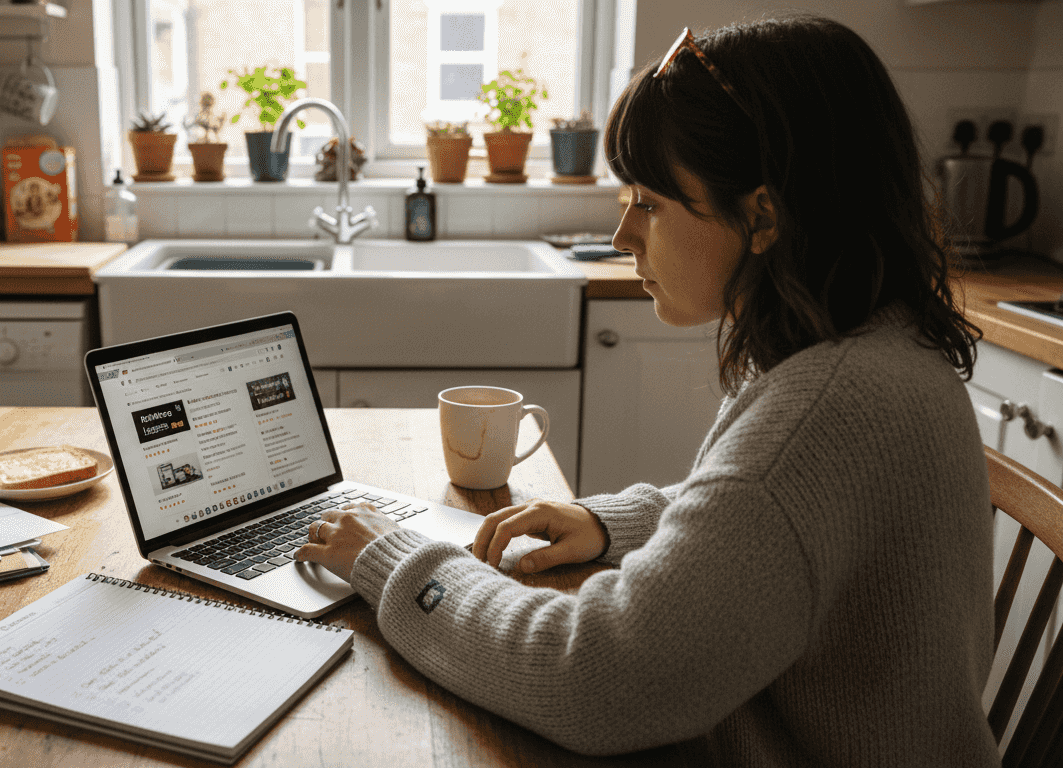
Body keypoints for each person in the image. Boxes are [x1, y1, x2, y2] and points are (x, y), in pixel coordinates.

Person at [295, 14, 997, 767]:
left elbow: (595, 680)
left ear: (762, 215)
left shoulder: (821, 416)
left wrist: (394, 561)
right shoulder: (870, 351)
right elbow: (763, 524)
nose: (624, 234)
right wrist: (611, 522)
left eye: (652, 202)